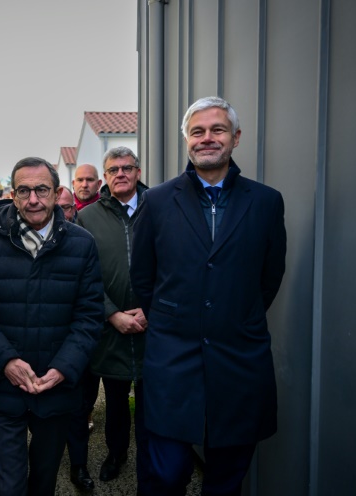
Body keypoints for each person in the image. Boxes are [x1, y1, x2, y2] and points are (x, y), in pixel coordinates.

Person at [130, 96, 287, 496]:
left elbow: (270, 276)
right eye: (197, 131)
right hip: (172, 358)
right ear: (186, 140)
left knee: (227, 477)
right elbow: (143, 276)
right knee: (166, 473)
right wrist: (172, 318)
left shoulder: (266, 202)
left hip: (240, 357)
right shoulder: (158, 201)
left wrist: (237, 316)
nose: (207, 138)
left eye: (217, 130)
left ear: (236, 137)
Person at [0, 157, 104, 496]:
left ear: (56, 193)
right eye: (23, 191)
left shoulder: (82, 244)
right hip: (2, 387)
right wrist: (6, 361)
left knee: (44, 482)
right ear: (12, 195)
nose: (33, 200)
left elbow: (89, 315)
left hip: (55, 388)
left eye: (41, 190)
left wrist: (63, 368)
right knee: (9, 487)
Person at [76, 146, 150, 491]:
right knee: (117, 400)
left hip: (155, 327)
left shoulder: (160, 207)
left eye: (127, 168)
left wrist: (153, 308)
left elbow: (177, 265)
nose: (121, 174)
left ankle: (152, 460)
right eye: (113, 169)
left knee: (153, 400)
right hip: (111, 330)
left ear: (137, 172)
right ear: (105, 178)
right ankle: (116, 455)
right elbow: (84, 275)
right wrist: (112, 314)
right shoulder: (88, 217)